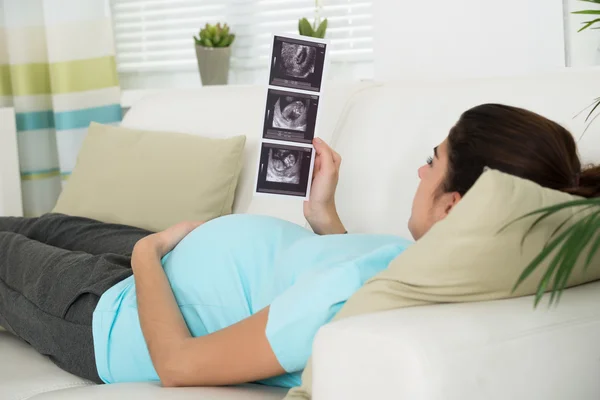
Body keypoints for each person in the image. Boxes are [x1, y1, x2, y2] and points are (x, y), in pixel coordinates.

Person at [0, 104, 599, 390]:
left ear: (455, 206)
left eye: (431, 161)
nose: (419, 175)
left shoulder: (362, 302)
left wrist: (146, 256)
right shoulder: (438, 272)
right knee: (31, 222)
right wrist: (323, 214)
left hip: (112, 314)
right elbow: (340, 280)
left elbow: (180, 366)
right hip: (161, 264)